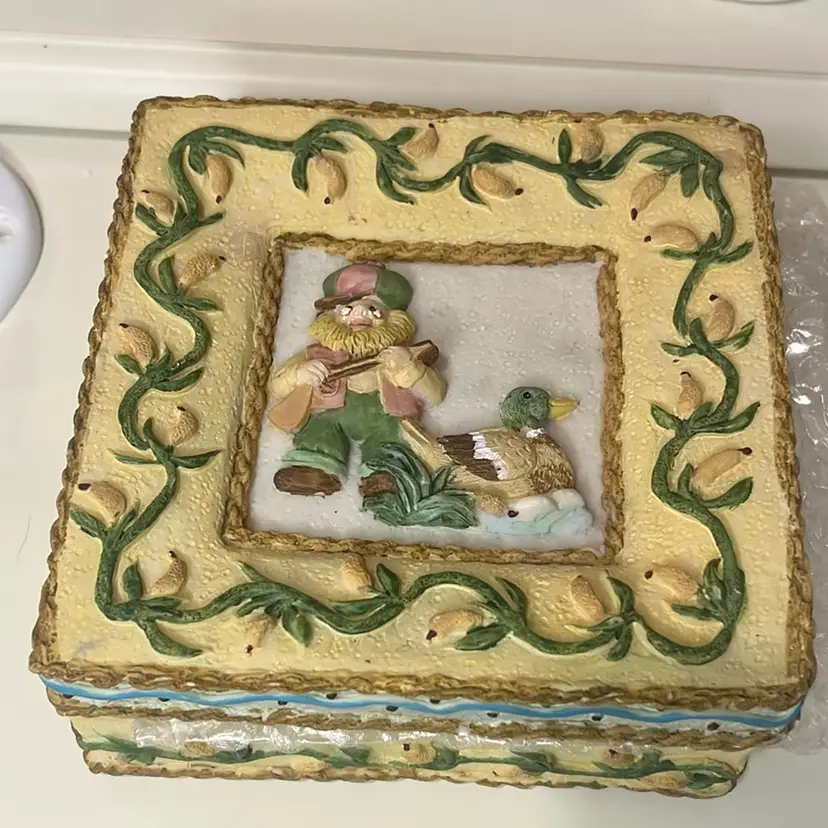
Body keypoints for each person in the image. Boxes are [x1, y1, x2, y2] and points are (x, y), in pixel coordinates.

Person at [268, 262, 446, 496]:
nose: (360, 313)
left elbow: (436, 395)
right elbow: (277, 387)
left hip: (385, 416)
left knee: (392, 434)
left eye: (373, 308)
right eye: (347, 309)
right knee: (319, 429)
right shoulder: (315, 354)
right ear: (330, 317)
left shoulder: (402, 356)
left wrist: (410, 369)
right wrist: (299, 373)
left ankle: (385, 473)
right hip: (329, 414)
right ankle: (315, 469)